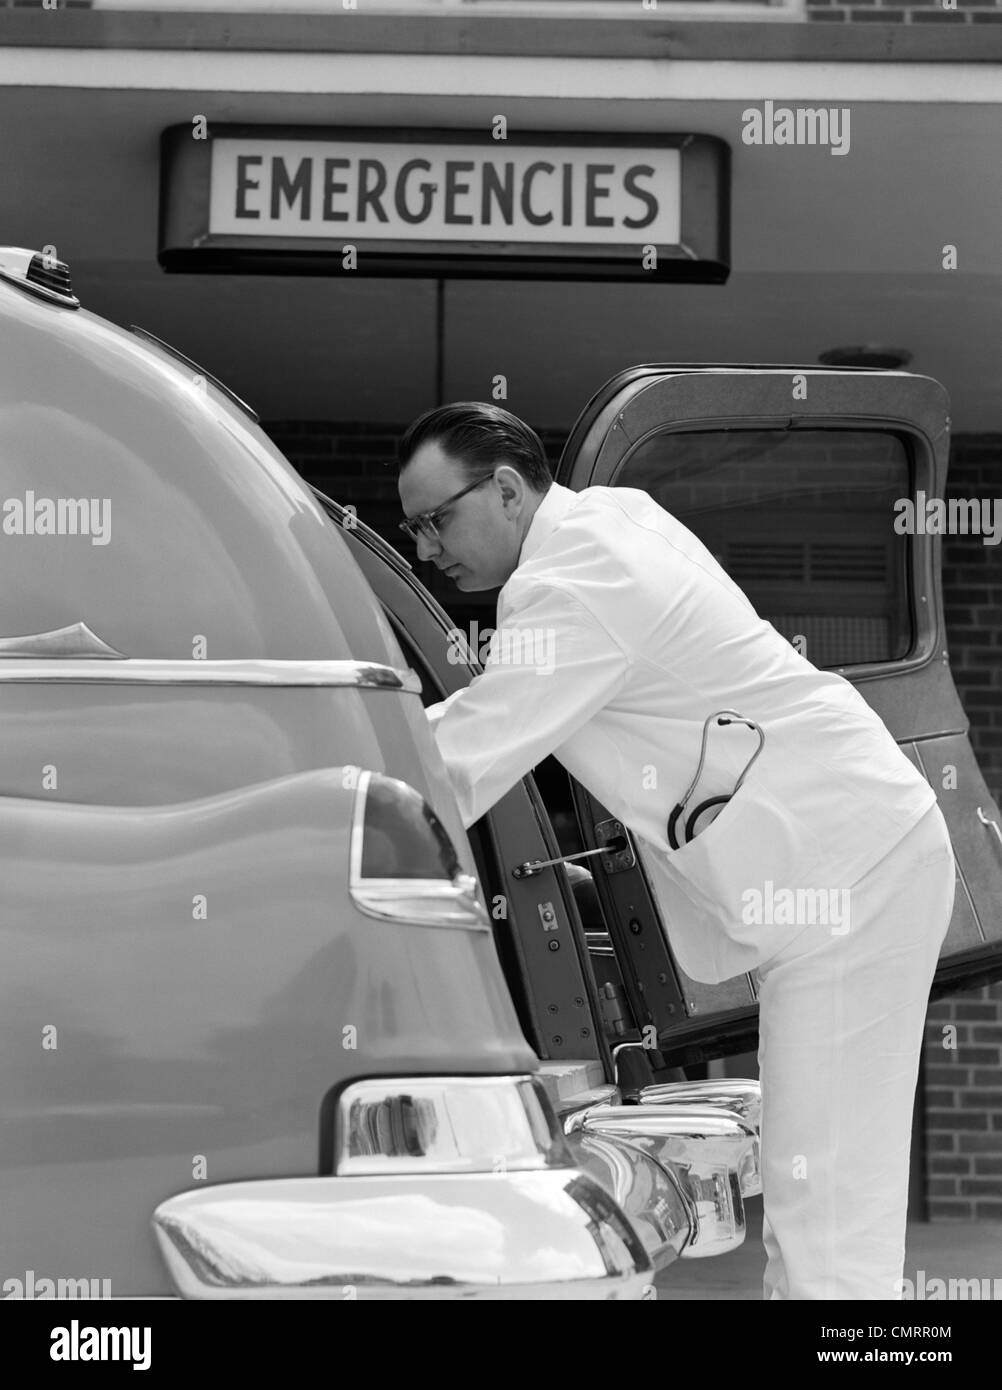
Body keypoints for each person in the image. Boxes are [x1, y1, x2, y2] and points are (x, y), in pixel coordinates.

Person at [396, 400, 956, 1301]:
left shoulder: (575, 581)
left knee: (829, 1221)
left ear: (505, 488)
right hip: (841, 858)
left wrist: (304, 757)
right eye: (411, 527)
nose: (426, 547)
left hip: (848, 872)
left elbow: (458, 764)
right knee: (825, 1198)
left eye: (436, 519)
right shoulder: (612, 518)